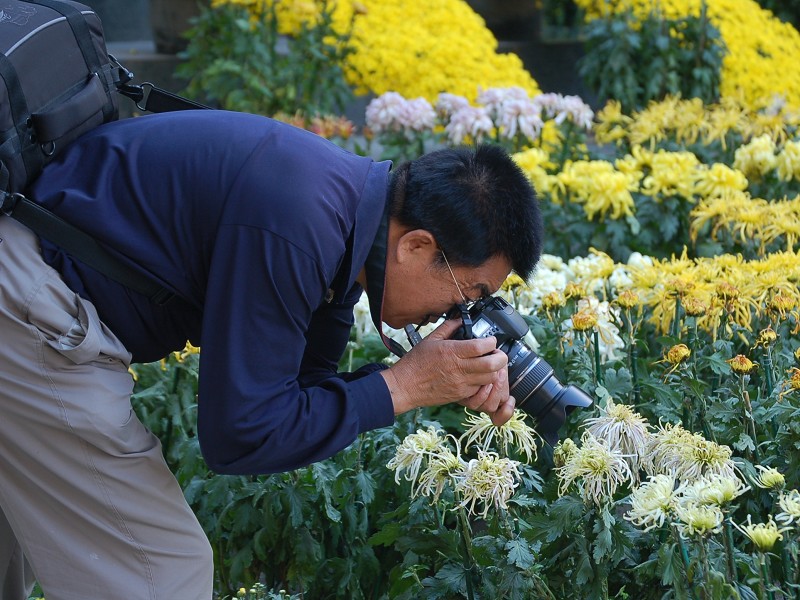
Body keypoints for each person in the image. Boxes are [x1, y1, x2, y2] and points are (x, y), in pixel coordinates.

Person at [0, 109, 543, 599]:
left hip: (28, 278)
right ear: (417, 246)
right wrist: (403, 386)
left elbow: (299, 396)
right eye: (468, 294)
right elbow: (240, 435)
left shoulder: (346, 212)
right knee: (159, 573)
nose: (459, 314)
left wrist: (419, 379)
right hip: (28, 303)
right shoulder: (297, 222)